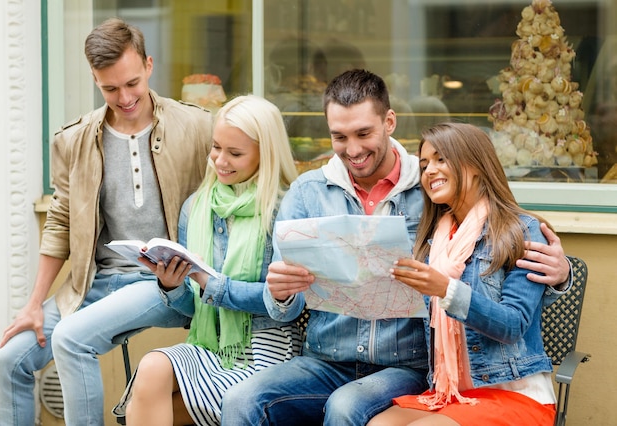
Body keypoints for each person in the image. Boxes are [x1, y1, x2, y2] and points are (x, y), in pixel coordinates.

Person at [220, 69, 571, 425]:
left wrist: (561, 275)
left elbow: (494, 243)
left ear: (389, 121)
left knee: (346, 406)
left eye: (363, 133)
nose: (352, 150)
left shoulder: (431, 196)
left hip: (405, 365)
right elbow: (284, 309)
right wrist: (279, 295)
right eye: (339, 137)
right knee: (241, 400)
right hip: (325, 359)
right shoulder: (308, 193)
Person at [0, 18, 212, 426]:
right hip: (92, 285)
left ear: (148, 65)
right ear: (95, 79)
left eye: (131, 83)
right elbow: (60, 221)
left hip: (165, 284)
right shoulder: (73, 140)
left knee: (71, 340)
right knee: (6, 360)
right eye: (109, 88)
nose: (124, 97)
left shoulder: (197, 126)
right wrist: (34, 304)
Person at [113, 95, 302, 426]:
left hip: (267, 351)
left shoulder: (284, 211)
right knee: (152, 367)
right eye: (216, 148)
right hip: (210, 344)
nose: (220, 160)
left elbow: (285, 305)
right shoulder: (197, 207)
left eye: (235, 153)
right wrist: (170, 285)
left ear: (265, 153)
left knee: (147, 409)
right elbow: (192, 307)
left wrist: (213, 285)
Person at [367, 122, 559, 426]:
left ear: (476, 165)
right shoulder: (433, 240)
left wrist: (446, 290)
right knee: (378, 424)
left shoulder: (521, 231)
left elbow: (512, 324)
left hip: (515, 391)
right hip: (451, 392)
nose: (430, 170)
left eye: (441, 159)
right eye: (424, 164)